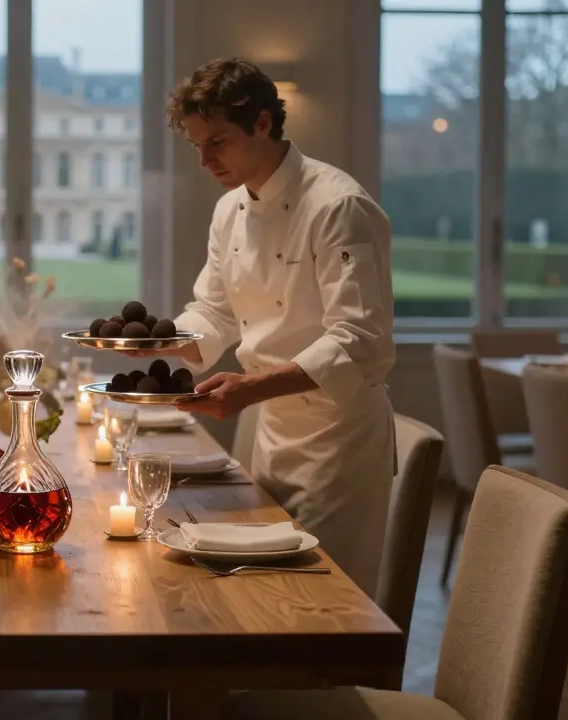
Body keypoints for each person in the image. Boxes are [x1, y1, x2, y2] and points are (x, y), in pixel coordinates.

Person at [151, 57, 396, 593]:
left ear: (263, 123)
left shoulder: (338, 205)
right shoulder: (230, 210)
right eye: (196, 145)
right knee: (263, 590)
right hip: (269, 429)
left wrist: (252, 387)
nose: (204, 159)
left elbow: (362, 343)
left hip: (337, 441)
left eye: (217, 141)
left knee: (325, 601)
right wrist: (159, 341)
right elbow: (213, 311)